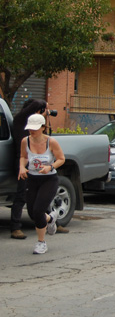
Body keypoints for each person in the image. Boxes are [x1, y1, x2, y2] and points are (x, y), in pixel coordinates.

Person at [19, 114, 65, 254]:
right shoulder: (25, 141)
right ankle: (50, 218)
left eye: (35, 128)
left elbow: (61, 159)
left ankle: (41, 242)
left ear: (43, 127)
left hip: (49, 179)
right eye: (30, 128)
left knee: (39, 210)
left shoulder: (51, 142)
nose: (31, 131)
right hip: (32, 178)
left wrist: (49, 167)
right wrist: (21, 167)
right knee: (32, 212)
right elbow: (23, 157)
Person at [10, 99, 49, 240]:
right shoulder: (20, 121)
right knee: (21, 195)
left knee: (42, 194)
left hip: (37, 162)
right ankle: (15, 227)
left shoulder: (37, 126)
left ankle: (48, 221)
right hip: (24, 162)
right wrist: (44, 104)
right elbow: (35, 105)